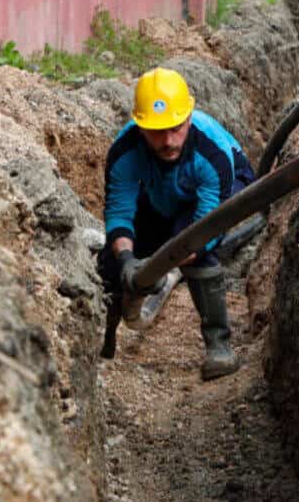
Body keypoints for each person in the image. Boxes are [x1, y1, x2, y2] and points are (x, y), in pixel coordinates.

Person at [98, 67, 255, 380]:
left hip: (222, 190)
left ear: (189, 118)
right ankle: (104, 337)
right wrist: (127, 260)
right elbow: (119, 211)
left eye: (176, 128)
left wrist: (159, 266)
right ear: (140, 126)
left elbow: (206, 229)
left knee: (194, 245)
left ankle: (219, 346)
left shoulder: (213, 153)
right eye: (156, 132)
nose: (168, 141)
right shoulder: (125, 151)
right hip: (164, 187)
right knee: (111, 259)